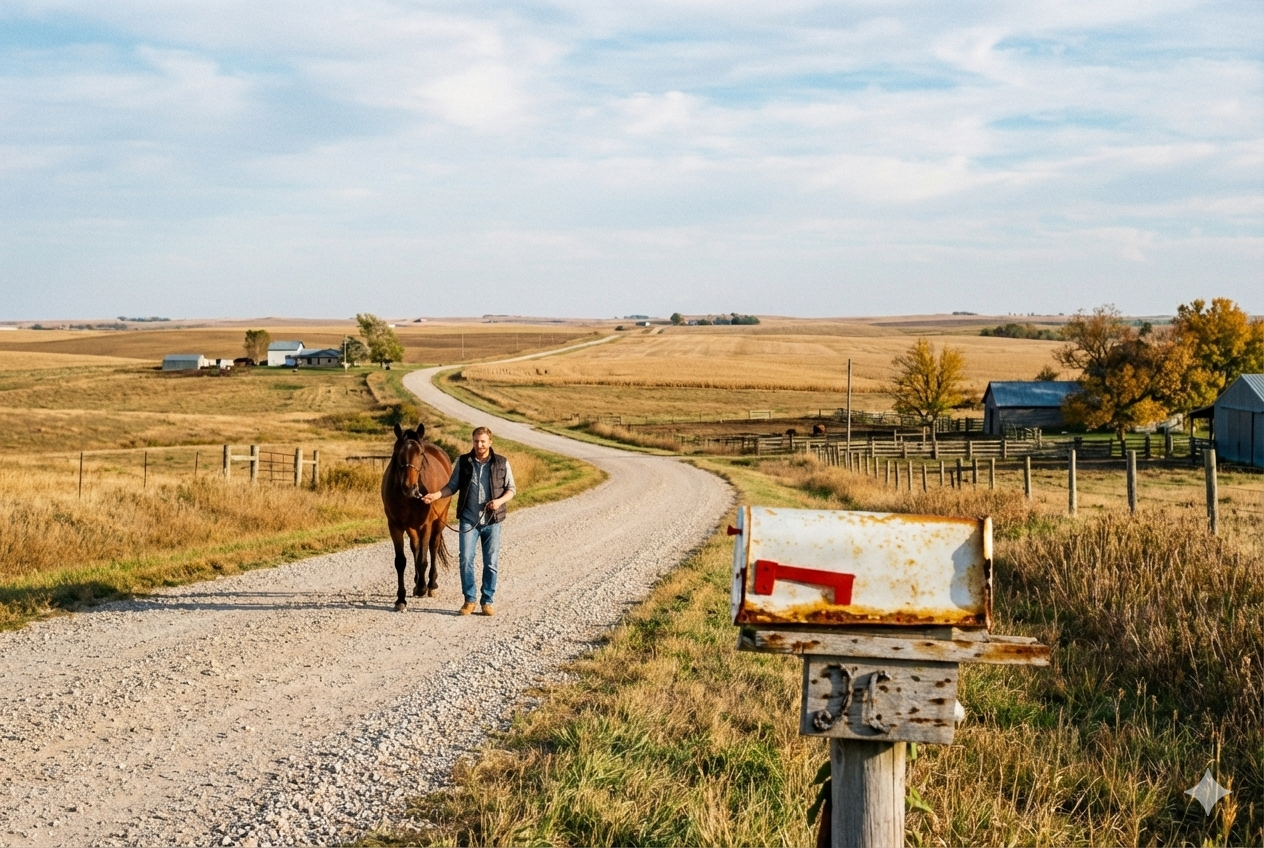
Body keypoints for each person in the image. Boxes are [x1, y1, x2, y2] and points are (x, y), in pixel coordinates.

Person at [422, 427, 515, 615]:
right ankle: (469, 600)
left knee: (491, 562)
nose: (479, 445)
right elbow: (452, 486)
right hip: (468, 520)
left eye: (482, 441)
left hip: (493, 521)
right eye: (476, 441)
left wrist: (499, 502)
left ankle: (487, 601)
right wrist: (436, 495)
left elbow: (511, 489)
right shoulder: (464, 462)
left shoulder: (502, 462)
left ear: (490, 442)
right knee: (465, 560)